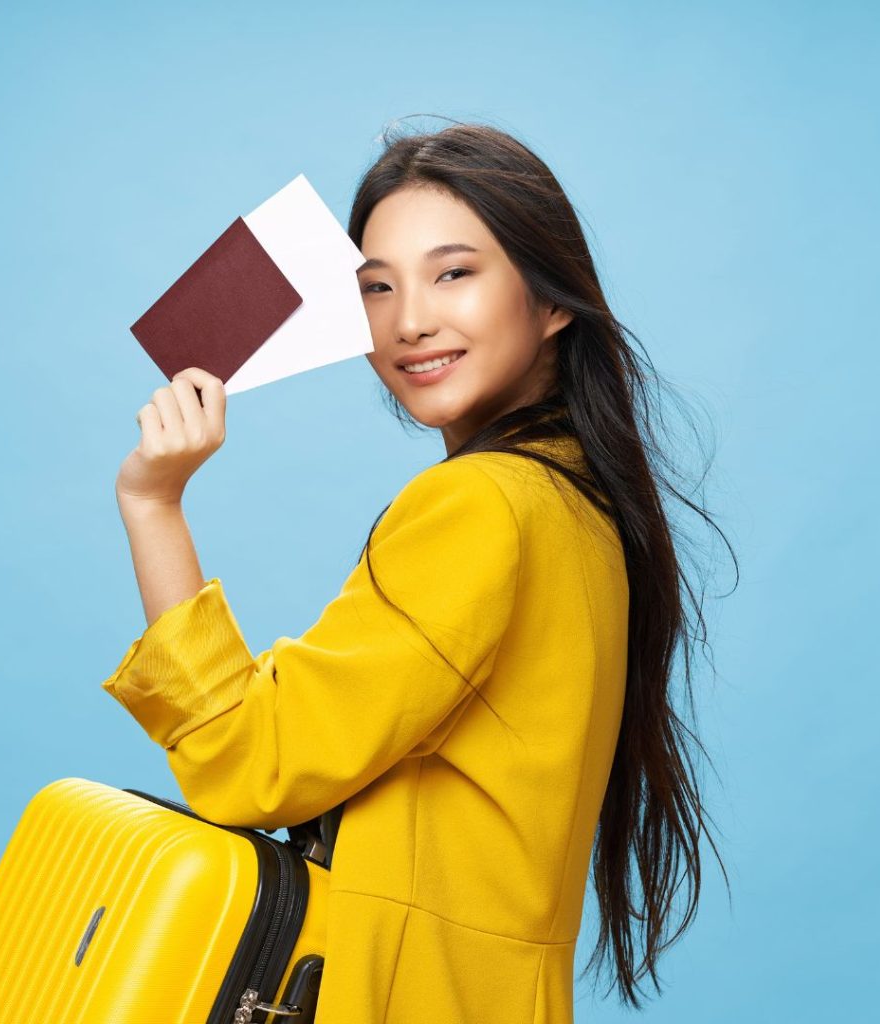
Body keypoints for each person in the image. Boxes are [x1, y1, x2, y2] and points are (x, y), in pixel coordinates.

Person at [100, 120, 734, 1022]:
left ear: (552, 301)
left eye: (454, 273)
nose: (410, 321)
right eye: (376, 288)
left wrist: (153, 505)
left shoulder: (480, 506)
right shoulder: (578, 504)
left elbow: (248, 763)